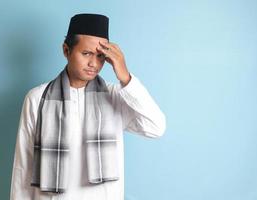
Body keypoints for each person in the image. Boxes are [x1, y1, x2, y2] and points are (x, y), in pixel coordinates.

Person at [10, 13, 166, 200]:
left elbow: (156, 127)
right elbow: (23, 168)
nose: (94, 63)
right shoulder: (37, 98)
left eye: (101, 56)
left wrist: (125, 77)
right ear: (66, 50)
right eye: (86, 53)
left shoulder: (115, 96)